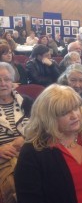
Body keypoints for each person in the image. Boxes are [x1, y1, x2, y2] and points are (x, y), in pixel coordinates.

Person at [14, 84, 82, 203]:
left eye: (76, 108)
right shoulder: (32, 151)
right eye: (65, 113)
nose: (74, 116)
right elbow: (29, 198)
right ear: (48, 118)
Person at [0, 62, 32, 203]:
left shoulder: (27, 102)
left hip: (30, 150)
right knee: (16, 184)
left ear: (12, 81)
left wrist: (25, 138)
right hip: (4, 158)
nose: (2, 83)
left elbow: (42, 127)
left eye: (6, 79)